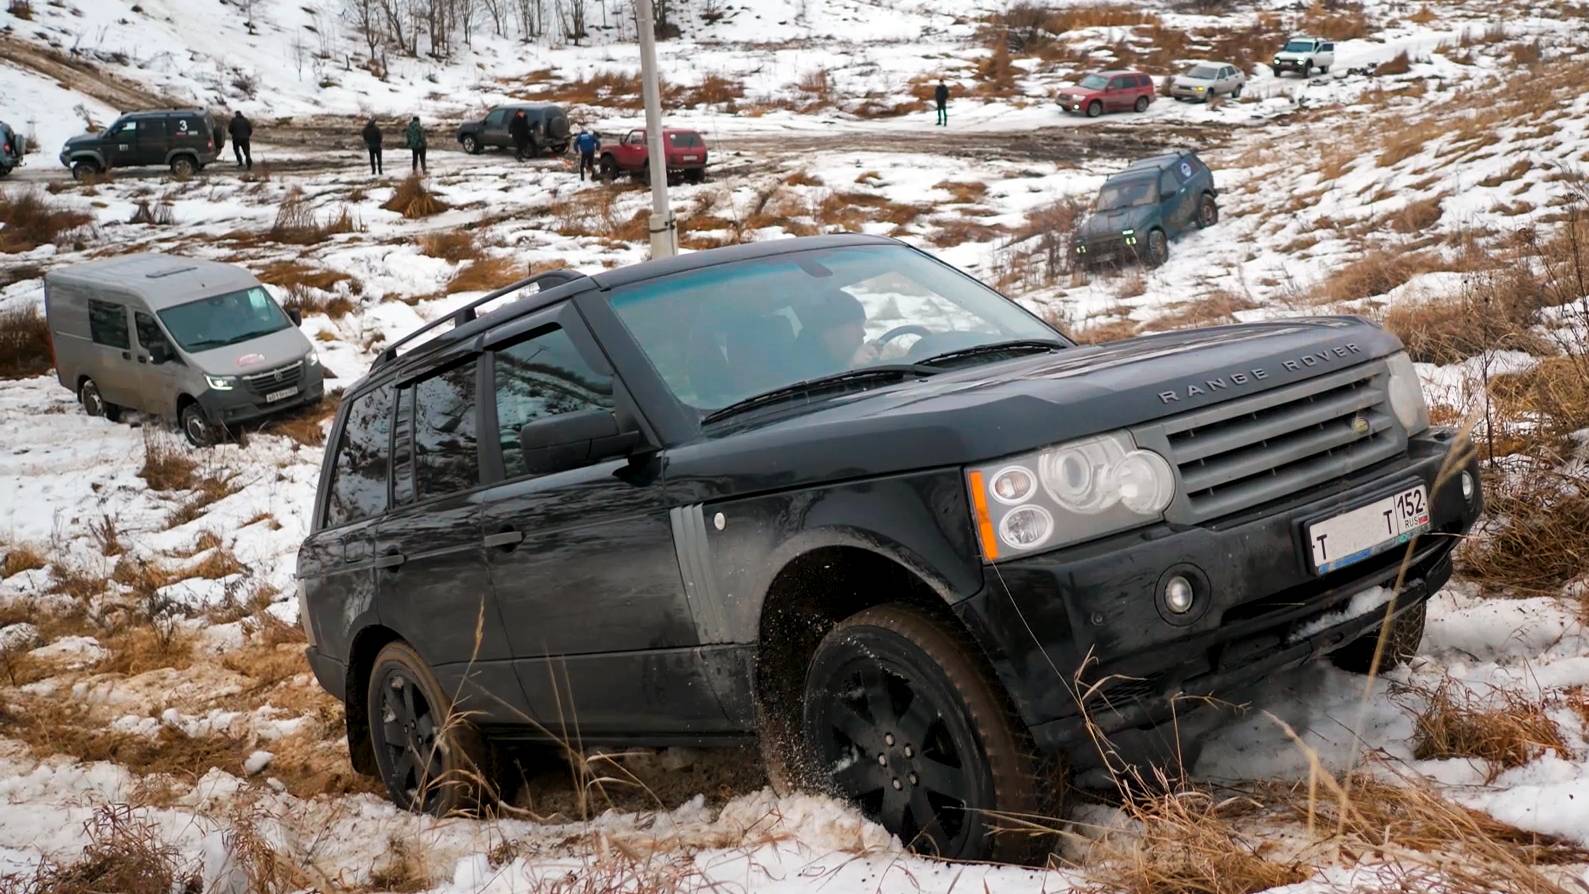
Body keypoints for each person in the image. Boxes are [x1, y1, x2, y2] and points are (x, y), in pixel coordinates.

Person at [788, 290, 875, 381]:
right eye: (856, 324)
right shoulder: (801, 364)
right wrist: (851, 366)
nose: (863, 333)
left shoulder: (831, 355)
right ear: (832, 329)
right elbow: (825, 390)